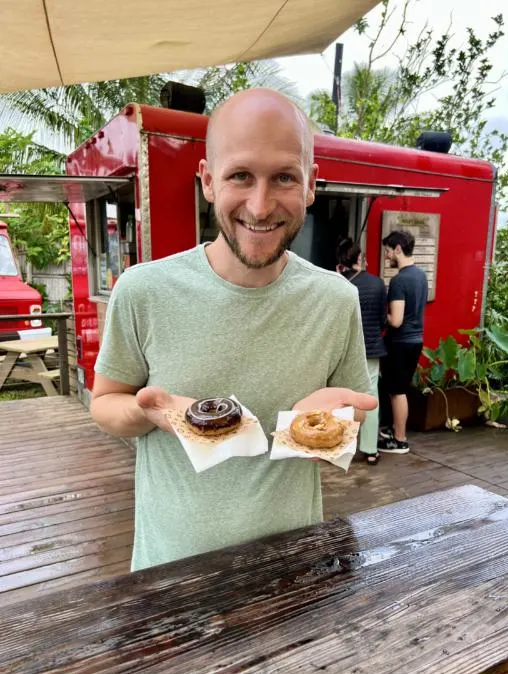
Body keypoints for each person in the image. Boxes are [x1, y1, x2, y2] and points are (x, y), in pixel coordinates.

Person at [90, 88, 377, 571]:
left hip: (294, 568)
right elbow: (104, 403)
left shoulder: (335, 299)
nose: (260, 206)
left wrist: (330, 432)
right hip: (172, 570)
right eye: (240, 176)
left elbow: (343, 432)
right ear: (207, 180)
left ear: (310, 185)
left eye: (283, 177)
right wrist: (152, 415)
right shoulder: (144, 290)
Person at [337, 238, 387, 465]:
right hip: (371, 347)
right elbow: (381, 320)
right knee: (370, 398)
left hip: (343, 350)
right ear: (360, 258)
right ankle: (370, 449)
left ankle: (341, 446)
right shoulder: (377, 283)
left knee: (342, 400)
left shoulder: (336, 283)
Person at [377, 229, 428, 454]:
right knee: (399, 389)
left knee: (397, 392)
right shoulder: (421, 276)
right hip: (416, 340)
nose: (387, 256)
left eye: (388, 251)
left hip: (399, 342)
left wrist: (379, 315)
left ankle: (400, 440)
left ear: (398, 249)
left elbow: (395, 320)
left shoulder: (399, 280)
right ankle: (394, 430)